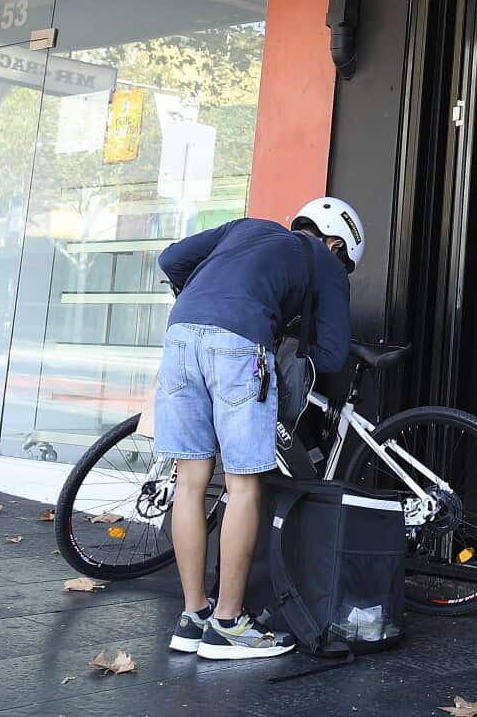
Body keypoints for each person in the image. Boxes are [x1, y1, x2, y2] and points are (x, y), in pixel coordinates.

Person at [155, 197, 363, 660]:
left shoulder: (245, 227)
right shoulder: (324, 263)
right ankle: (229, 625)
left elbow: (170, 259)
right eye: (344, 260)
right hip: (240, 344)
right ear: (335, 243)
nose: (341, 267)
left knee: (189, 483)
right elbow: (331, 356)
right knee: (244, 484)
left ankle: (194, 616)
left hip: (179, 335)